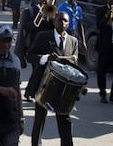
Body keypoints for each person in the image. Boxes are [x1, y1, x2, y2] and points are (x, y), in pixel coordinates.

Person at [28, 11, 79, 146]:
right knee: (40, 119)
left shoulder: (73, 41)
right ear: (54, 20)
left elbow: (75, 65)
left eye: (65, 21)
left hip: (63, 91)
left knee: (65, 121)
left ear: (68, 24)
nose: (62, 23)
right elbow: (30, 55)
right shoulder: (43, 36)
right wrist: (45, 58)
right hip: (44, 85)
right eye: (60, 20)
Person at [18, 0, 54, 100]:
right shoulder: (31, 11)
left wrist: (50, 16)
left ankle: (32, 92)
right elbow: (25, 27)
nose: (44, 1)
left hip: (46, 46)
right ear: (38, 0)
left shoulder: (50, 10)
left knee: (42, 71)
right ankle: (31, 92)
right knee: (37, 70)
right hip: (34, 46)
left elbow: (52, 27)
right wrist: (37, 20)